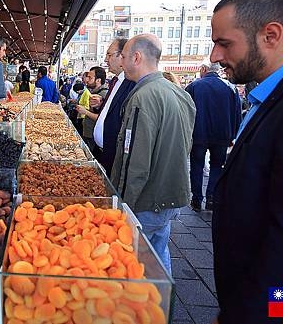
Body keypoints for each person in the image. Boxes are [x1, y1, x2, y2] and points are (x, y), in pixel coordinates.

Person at [209, 0, 283, 324]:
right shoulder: (281, 92)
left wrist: (252, 316)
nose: (215, 56)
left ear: (271, 35)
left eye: (224, 43)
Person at [111, 34, 196, 274]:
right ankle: (163, 306)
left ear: (136, 58)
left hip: (146, 201)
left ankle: (143, 308)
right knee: (159, 253)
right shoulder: (180, 94)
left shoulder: (142, 97)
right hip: (170, 196)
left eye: (125, 57)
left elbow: (134, 159)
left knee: (134, 262)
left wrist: (123, 206)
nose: (122, 62)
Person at [185, 60, 241, 212]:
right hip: (222, 134)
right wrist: (233, 134)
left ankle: (196, 199)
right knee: (217, 165)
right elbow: (237, 112)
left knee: (197, 165)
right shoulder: (230, 87)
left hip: (199, 133)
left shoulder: (195, 86)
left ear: (204, 69)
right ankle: (211, 197)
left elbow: (186, 111)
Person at [92, 38, 135, 176]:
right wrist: (101, 105)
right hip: (101, 151)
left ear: (122, 56)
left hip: (113, 155)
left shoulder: (131, 83)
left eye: (109, 55)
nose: (106, 59)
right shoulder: (115, 81)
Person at [75, 66, 108, 153]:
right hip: (89, 133)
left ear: (98, 80)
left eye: (90, 77)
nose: (87, 80)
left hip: (94, 136)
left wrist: (85, 112)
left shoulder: (103, 94)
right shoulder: (93, 92)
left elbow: (102, 118)